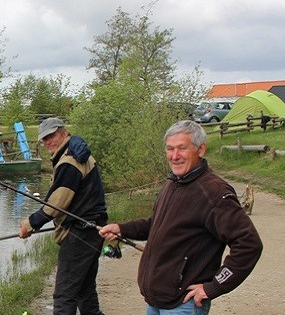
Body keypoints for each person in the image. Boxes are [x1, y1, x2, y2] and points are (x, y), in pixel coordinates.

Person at [99, 120, 263, 314]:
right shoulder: (173, 182)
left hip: (183, 305)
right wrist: (122, 228)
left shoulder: (214, 193)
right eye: (170, 149)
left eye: (182, 149)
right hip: (156, 301)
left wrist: (214, 286)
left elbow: (249, 244)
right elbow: (156, 224)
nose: (174, 156)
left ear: (201, 150)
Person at [19, 117, 107, 315]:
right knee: (85, 291)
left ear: (64, 133)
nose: (48, 142)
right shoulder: (77, 152)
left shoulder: (69, 161)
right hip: (92, 231)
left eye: (52, 136)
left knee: (64, 296)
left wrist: (30, 224)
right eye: (44, 139)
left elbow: (56, 204)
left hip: (79, 234)